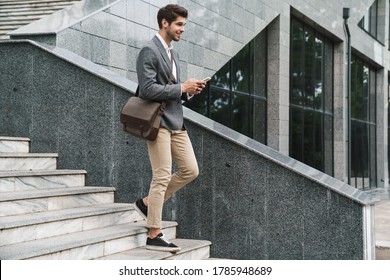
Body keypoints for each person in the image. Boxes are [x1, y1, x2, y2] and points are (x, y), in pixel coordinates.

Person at [134, 4, 207, 252]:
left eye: (184, 25)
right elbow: (147, 90)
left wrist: (190, 91)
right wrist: (181, 88)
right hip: (157, 123)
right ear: (164, 23)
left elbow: (173, 89)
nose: (182, 29)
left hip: (176, 119)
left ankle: (147, 203)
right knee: (162, 174)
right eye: (179, 24)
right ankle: (154, 233)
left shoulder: (171, 52)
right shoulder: (149, 50)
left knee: (190, 170)